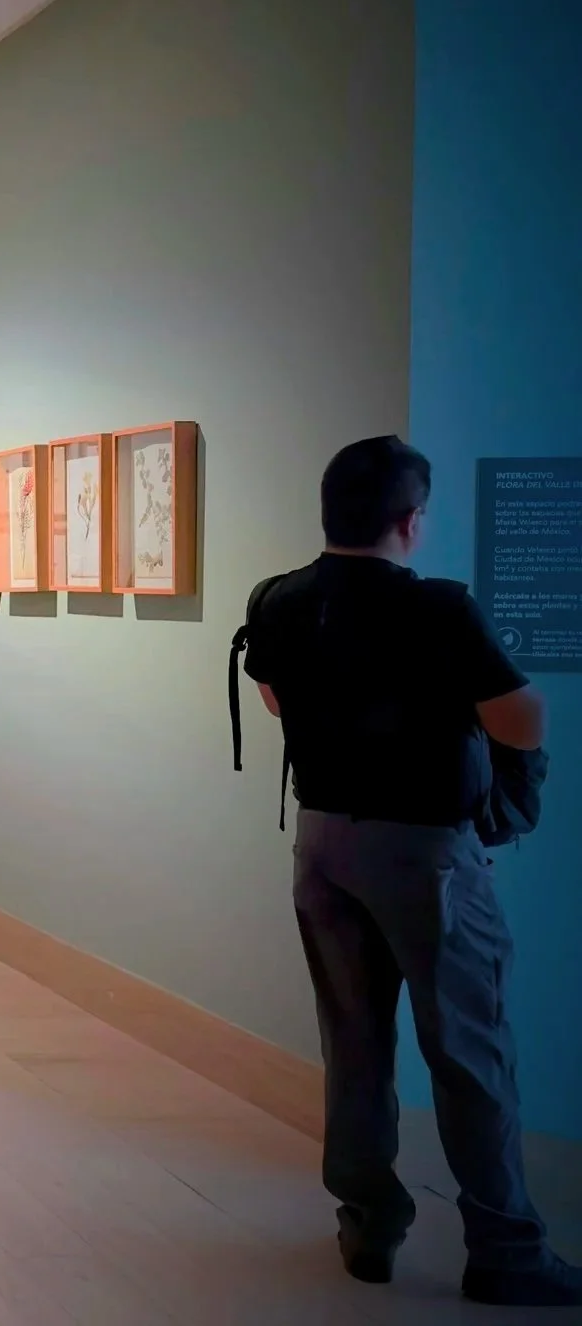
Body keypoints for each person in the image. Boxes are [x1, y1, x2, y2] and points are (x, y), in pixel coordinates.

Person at [243, 436, 577, 1307]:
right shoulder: (438, 608)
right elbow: (520, 714)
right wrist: (514, 793)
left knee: (353, 1042)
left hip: (320, 845)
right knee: (469, 1049)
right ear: (411, 521)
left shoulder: (279, 600)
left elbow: (277, 698)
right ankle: (504, 1249)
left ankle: (368, 1221)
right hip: (424, 854)